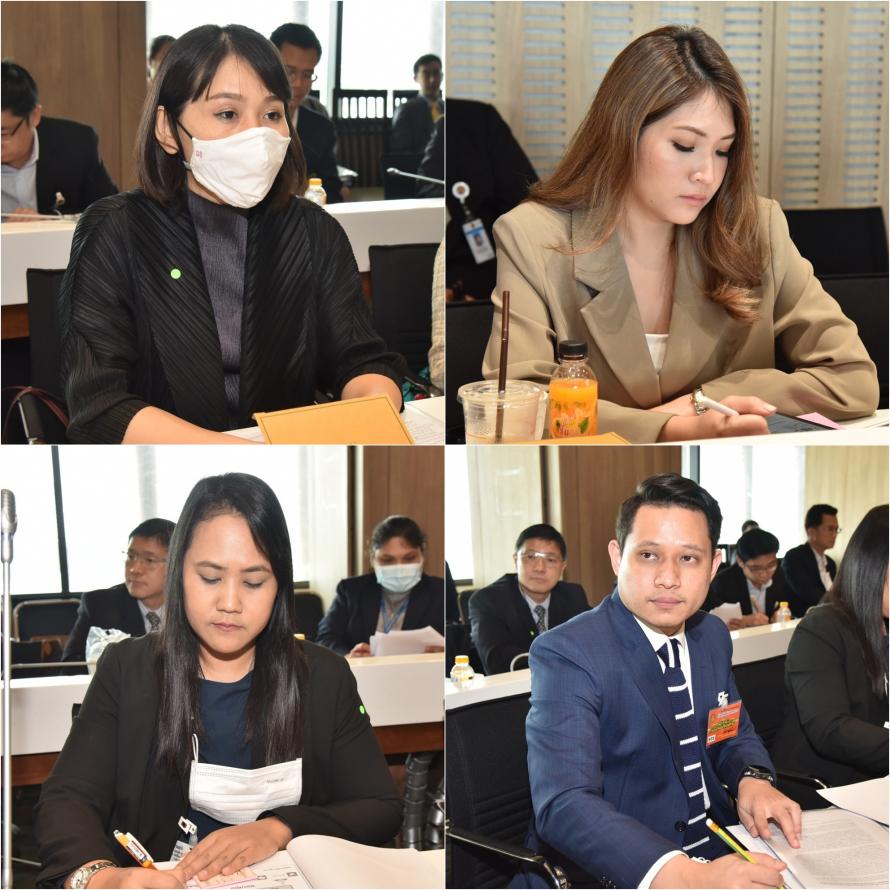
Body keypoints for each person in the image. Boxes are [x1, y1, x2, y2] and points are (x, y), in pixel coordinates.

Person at [482, 26, 878, 443]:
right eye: (685, 145)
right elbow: (517, 406)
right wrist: (669, 427)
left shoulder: (757, 228)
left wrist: (704, 400)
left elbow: (852, 380)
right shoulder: (531, 236)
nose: (707, 174)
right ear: (622, 132)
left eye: (722, 151)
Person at [35, 473, 401, 889]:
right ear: (179, 574)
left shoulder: (323, 676)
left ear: (279, 585)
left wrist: (279, 828)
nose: (229, 603)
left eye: (253, 582)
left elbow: (380, 806)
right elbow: (68, 798)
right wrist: (99, 877)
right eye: (210, 578)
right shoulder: (127, 669)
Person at [59, 24, 402, 444]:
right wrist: (237, 452)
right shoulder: (115, 230)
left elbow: (361, 360)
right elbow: (99, 405)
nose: (256, 134)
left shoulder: (315, 231)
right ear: (167, 128)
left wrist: (372, 402)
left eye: (271, 115)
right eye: (227, 114)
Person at [522, 474, 800, 889]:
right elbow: (565, 802)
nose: (668, 577)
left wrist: (753, 779)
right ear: (617, 557)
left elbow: (729, 732)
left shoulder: (711, 636)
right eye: (649, 555)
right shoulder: (568, 652)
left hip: (720, 844)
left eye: (688, 558)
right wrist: (684, 877)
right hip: (627, 869)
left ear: (713, 566)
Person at [772, 505, 888, 792]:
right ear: (873, 569)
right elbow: (830, 728)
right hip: (821, 791)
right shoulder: (821, 629)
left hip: (872, 784)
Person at [444, 98, 538, 302]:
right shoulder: (408, 119)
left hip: (481, 283)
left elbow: (528, 212)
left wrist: (465, 286)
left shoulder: (478, 120)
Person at [468, 523, 588, 675]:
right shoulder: (488, 601)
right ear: (515, 560)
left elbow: (592, 645)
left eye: (550, 560)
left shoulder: (573, 596)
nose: (540, 568)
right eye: (531, 557)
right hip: (515, 688)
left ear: (563, 567)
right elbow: (499, 661)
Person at [316, 516, 443, 657]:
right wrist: (349, 656)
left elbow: (455, 642)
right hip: (363, 671)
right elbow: (325, 638)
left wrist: (443, 653)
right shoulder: (351, 591)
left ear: (422, 556)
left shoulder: (440, 592)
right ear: (372, 559)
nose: (399, 568)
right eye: (387, 560)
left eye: (409, 558)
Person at [1, 61, 117, 217]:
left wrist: (48, 224)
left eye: (3, 133)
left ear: (34, 116)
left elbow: (111, 213)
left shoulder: (76, 145)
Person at [62, 518, 176, 662]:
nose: (134, 569)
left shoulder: (192, 606)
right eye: (131, 556)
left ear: (176, 564)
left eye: (149, 560)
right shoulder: (99, 606)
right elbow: (70, 668)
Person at [269, 23, 344, 203]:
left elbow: (331, 187)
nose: (298, 84)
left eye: (307, 75)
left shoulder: (321, 127)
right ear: (270, 66)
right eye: (290, 72)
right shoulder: (245, 121)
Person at [703, 527, 788, 629]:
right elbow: (709, 619)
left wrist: (778, 617)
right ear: (740, 562)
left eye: (771, 565)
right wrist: (744, 620)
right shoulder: (723, 583)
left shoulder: (780, 574)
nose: (764, 574)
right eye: (756, 568)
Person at [781, 503, 838, 616]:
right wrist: (837, 605)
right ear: (812, 532)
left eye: (836, 529)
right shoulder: (795, 557)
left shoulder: (831, 564)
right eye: (830, 529)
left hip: (826, 616)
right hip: (802, 619)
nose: (834, 534)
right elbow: (808, 593)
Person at [390, 54, 443, 154]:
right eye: (426, 74)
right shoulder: (406, 110)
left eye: (436, 73)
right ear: (416, 78)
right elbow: (401, 150)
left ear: (442, 76)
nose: (432, 80)